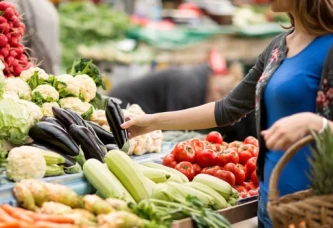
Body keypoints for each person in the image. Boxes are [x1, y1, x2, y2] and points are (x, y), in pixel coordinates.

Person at [120, 0, 333, 227]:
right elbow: (227, 108)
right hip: (274, 209)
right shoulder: (278, 48)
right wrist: (152, 122)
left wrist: (317, 124)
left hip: (319, 211)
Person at [109, 63, 257, 142]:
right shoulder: (189, 87)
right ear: (217, 90)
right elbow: (173, 127)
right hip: (123, 105)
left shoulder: (201, 80)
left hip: (143, 112)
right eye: (216, 102)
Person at [0, 0, 61, 75]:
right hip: (48, 72)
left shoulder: (14, 5)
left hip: (29, 76)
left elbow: (11, 48)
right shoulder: (47, 5)